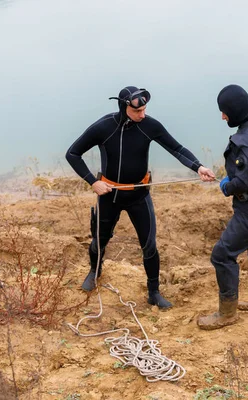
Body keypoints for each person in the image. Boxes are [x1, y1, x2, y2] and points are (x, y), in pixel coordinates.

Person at [66, 86, 215, 309]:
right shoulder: (104, 127)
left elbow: (176, 148)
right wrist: (93, 182)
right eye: (138, 111)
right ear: (124, 106)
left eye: (145, 109)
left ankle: (154, 292)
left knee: (149, 246)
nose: (142, 115)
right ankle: (94, 272)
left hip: (139, 195)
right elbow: (73, 153)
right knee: (100, 240)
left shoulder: (149, 126)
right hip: (110, 195)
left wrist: (198, 167)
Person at [197, 84, 248, 330]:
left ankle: (227, 314)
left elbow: (246, 182)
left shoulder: (246, 140)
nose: (223, 116)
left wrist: (228, 186)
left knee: (222, 255)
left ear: (234, 110)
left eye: (224, 112)